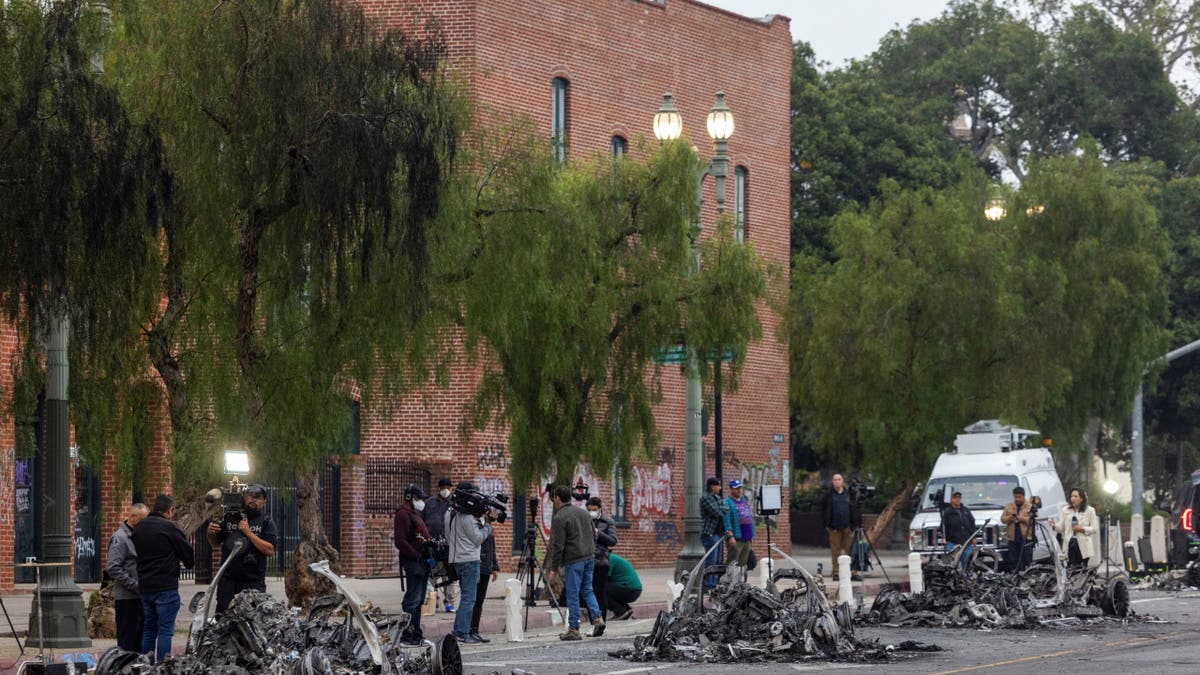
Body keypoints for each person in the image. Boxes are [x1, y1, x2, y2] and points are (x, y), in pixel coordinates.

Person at [132, 494, 194, 663]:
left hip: (145, 586)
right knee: (165, 631)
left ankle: (146, 666)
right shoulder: (169, 527)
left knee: (149, 629)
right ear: (170, 510)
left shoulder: (139, 527)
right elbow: (188, 555)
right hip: (165, 586)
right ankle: (163, 665)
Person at [205, 483, 278, 614]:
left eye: (258, 497)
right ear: (244, 497)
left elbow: (269, 550)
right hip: (228, 579)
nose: (253, 499)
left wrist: (248, 532)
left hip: (253, 581)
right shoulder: (229, 517)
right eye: (250, 496)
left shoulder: (266, 521)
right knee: (224, 616)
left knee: (252, 618)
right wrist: (210, 533)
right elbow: (215, 544)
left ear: (264, 502)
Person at [546, 485, 605, 641]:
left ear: (557, 498)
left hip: (574, 559)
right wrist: (590, 550)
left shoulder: (560, 518)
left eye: (554, 498)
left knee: (573, 594)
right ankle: (597, 618)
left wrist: (554, 567)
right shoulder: (584, 513)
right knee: (588, 589)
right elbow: (594, 535)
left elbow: (558, 545)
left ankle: (574, 628)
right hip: (589, 557)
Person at [445, 481, 493, 643]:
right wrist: (488, 525)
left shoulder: (449, 513)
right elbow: (477, 538)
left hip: (455, 559)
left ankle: (460, 630)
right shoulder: (467, 518)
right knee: (469, 598)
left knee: (466, 597)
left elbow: (448, 536)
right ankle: (461, 632)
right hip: (469, 559)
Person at [106, 502, 148, 652]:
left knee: (139, 641)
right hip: (127, 598)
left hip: (140, 597)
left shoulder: (139, 535)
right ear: (133, 517)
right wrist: (134, 585)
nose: (145, 524)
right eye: (143, 520)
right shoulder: (120, 538)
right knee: (127, 641)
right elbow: (112, 567)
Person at [393, 483, 431, 645]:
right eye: (417, 498)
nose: (420, 501)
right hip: (413, 562)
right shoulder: (402, 514)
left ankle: (416, 632)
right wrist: (415, 555)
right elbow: (400, 541)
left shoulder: (414, 514)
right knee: (412, 600)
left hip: (422, 562)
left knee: (419, 600)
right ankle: (406, 633)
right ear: (409, 497)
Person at [423, 477, 458, 613]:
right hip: (432, 543)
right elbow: (423, 519)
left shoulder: (454, 503)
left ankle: (449, 602)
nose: (445, 490)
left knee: (449, 575)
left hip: (449, 544)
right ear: (439, 488)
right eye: (443, 487)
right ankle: (433, 599)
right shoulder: (430, 503)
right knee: (432, 573)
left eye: (448, 488)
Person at [822, 474, 861, 581]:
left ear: (842, 481)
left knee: (850, 551)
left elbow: (854, 509)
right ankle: (836, 572)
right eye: (835, 480)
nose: (837, 481)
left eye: (839, 479)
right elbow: (823, 509)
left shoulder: (848, 494)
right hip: (834, 528)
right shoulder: (829, 495)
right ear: (832, 482)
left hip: (847, 527)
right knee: (836, 551)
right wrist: (827, 524)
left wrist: (854, 524)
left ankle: (852, 572)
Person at [1049, 487, 1098, 569]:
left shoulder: (1090, 510)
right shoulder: (1065, 510)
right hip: (1069, 544)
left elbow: (1094, 528)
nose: (1073, 498)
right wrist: (1054, 526)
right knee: (1070, 569)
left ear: (1081, 498)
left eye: (1075, 496)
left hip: (1083, 545)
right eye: (1072, 496)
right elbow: (1061, 528)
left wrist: (1082, 529)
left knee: (1081, 570)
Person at [468, 527, 500, 643]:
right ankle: (469, 629)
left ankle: (475, 630)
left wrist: (495, 566)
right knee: (473, 600)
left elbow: (492, 547)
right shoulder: (476, 524)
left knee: (479, 601)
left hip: (486, 567)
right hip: (477, 565)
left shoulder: (488, 527)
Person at [587, 497, 617, 621]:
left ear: (600, 509)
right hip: (587, 560)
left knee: (600, 593)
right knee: (588, 592)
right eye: (589, 510)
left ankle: (602, 621)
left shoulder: (608, 521)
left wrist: (598, 533)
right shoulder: (585, 520)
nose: (591, 512)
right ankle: (593, 621)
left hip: (601, 561)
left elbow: (613, 541)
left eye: (594, 510)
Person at [699, 477, 730, 589]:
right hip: (710, 533)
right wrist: (720, 507)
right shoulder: (705, 498)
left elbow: (726, 509)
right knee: (711, 561)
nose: (720, 488)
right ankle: (708, 585)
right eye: (718, 485)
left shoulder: (717, 497)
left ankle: (714, 584)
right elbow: (716, 512)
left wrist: (720, 507)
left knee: (718, 561)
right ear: (712, 486)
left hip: (719, 534)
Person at [941, 490, 977, 572]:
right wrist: (944, 538)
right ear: (951, 499)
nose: (957, 499)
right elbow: (942, 526)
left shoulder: (966, 510)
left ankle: (968, 579)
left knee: (968, 561)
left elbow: (972, 524)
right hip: (952, 543)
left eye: (959, 497)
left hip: (966, 542)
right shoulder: (947, 512)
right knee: (952, 564)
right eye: (955, 497)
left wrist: (974, 537)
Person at [1001, 486, 1035, 571]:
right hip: (1013, 539)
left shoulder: (1030, 507)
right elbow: (1002, 519)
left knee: (1027, 560)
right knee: (1014, 560)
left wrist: (1021, 519)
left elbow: (1033, 521)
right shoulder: (1009, 506)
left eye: (1019, 497)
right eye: (1015, 497)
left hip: (1026, 538)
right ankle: (1015, 576)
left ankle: (1027, 575)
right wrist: (1010, 518)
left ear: (1023, 496)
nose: (1017, 499)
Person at [723, 479, 755, 568]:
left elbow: (748, 516)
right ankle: (729, 580)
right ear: (731, 489)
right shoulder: (727, 502)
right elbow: (727, 520)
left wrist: (751, 534)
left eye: (740, 488)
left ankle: (739, 581)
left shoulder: (743, 501)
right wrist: (730, 536)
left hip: (747, 537)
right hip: (736, 538)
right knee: (733, 561)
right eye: (736, 488)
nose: (739, 490)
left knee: (743, 563)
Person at [605, 552, 642, 621]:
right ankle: (627, 610)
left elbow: (603, 578)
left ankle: (620, 611)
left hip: (630, 590)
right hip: (634, 589)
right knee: (607, 588)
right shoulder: (612, 557)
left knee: (600, 590)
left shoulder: (609, 559)